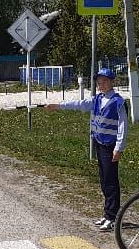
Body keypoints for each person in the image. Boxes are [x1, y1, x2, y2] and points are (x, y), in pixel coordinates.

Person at [45, 67, 128, 232]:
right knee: (104, 180)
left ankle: (113, 216)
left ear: (112, 82)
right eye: (99, 82)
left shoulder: (118, 102)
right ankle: (107, 214)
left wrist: (119, 148)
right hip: (99, 143)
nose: (101, 85)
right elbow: (79, 104)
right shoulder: (97, 99)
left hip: (110, 146)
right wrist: (57, 106)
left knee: (111, 182)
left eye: (104, 81)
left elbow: (123, 126)